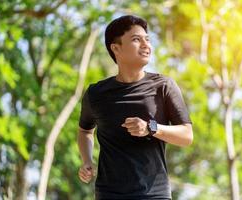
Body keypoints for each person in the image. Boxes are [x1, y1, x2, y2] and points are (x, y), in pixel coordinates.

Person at [77, 15, 193, 200]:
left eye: (147, 39)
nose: (146, 45)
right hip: (108, 194)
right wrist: (86, 161)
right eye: (136, 39)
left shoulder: (163, 86)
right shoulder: (96, 93)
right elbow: (85, 131)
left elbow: (186, 136)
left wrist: (150, 128)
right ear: (116, 48)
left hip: (154, 194)